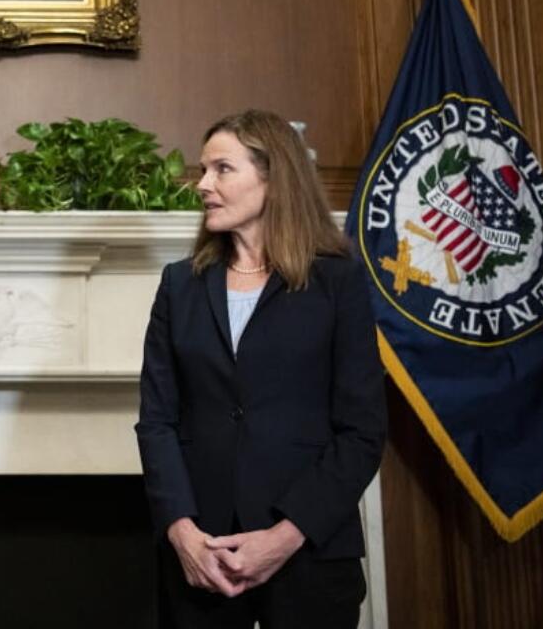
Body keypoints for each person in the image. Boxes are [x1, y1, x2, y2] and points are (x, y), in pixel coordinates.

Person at [135, 109, 386, 628]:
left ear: (273, 178)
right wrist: (181, 532)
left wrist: (284, 536)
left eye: (221, 169)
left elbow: (362, 431)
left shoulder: (338, 283)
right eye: (202, 171)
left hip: (310, 551)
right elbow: (157, 421)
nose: (202, 185)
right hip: (201, 555)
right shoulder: (179, 285)